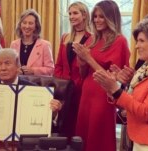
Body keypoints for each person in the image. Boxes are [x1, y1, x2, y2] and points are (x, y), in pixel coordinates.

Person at [93, 17, 148, 151]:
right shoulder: (145, 69)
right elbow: (131, 102)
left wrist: (116, 90)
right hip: (140, 140)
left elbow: (145, 112)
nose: (136, 46)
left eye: (141, 41)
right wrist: (111, 88)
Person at [72, 1, 130, 151]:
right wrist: (82, 61)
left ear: (111, 18)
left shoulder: (120, 41)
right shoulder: (92, 39)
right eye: (95, 16)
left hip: (102, 95)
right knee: (83, 134)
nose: (97, 20)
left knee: (98, 135)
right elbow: (83, 74)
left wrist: (89, 58)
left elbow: (113, 78)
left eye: (101, 17)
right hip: (87, 92)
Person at [0, 48, 62, 144]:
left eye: (7, 63)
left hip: (26, 143)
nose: (3, 68)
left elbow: (49, 126)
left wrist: (53, 113)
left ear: (18, 66)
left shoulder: (35, 91)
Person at [54, 1, 91, 138]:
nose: (71, 16)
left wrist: (77, 84)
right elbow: (58, 65)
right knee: (63, 128)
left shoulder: (92, 38)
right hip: (64, 90)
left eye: (75, 13)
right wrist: (61, 85)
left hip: (81, 90)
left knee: (78, 129)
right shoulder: (65, 37)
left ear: (84, 15)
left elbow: (89, 67)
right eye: (69, 14)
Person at [10, 9, 54, 76]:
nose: (27, 26)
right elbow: (10, 66)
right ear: (20, 25)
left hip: (36, 84)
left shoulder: (45, 45)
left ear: (36, 26)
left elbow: (51, 69)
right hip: (18, 84)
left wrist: (33, 70)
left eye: (30, 23)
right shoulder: (14, 44)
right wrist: (16, 70)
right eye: (24, 23)